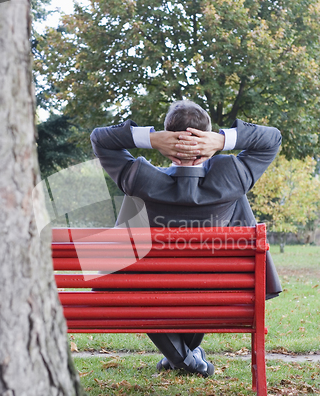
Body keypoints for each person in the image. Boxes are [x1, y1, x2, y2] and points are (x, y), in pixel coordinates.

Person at [90, 100, 282, 377]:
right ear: (208, 139)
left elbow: (100, 138)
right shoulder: (233, 178)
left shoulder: (139, 179)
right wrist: (222, 140)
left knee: (140, 289)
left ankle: (186, 361)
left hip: (150, 290)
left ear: (168, 143)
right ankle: (188, 359)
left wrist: (151, 139)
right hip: (215, 290)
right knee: (203, 282)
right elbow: (272, 138)